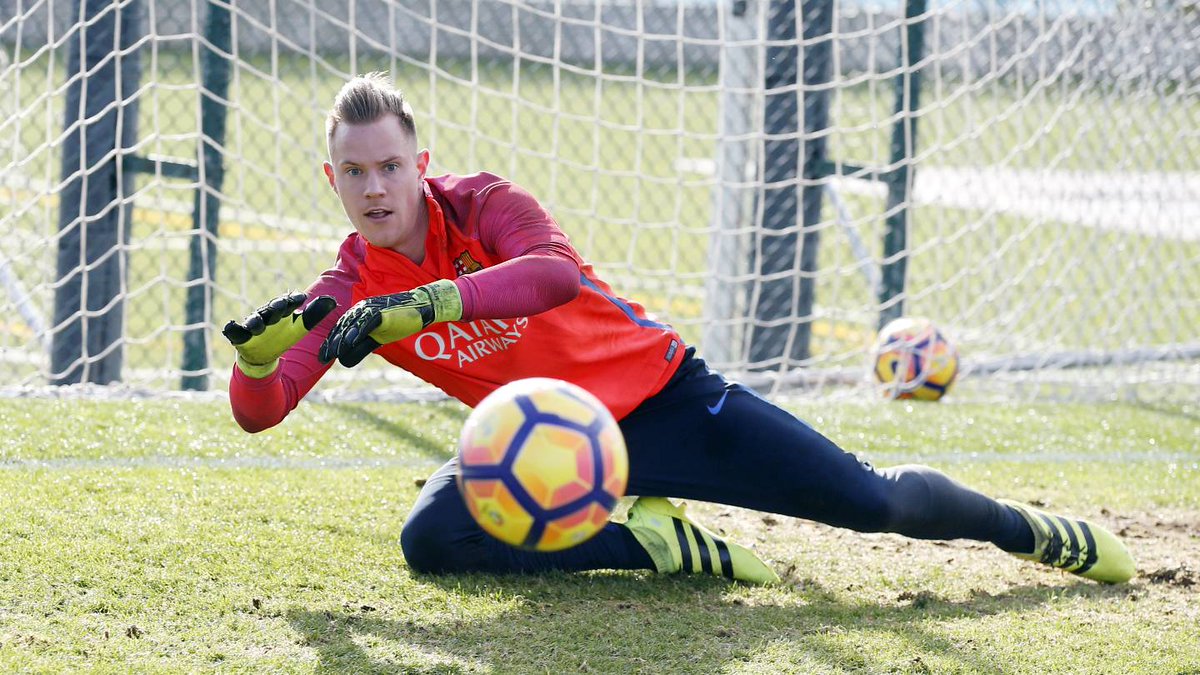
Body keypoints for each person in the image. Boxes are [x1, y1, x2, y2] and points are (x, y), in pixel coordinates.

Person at [222, 72, 1135, 585]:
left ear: (420, 163)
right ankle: (657, 543)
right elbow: (264, 410)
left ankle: (1024, 528)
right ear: (331, 179)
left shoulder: (487, 202)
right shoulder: (345, 288)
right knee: (432, 542)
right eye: (354, 172)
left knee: (874, 503)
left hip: (666, 399)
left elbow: (552, 275)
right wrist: (258, 367)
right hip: (548, 449)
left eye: (389, 166)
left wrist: (432, 303)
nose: (375, 188)